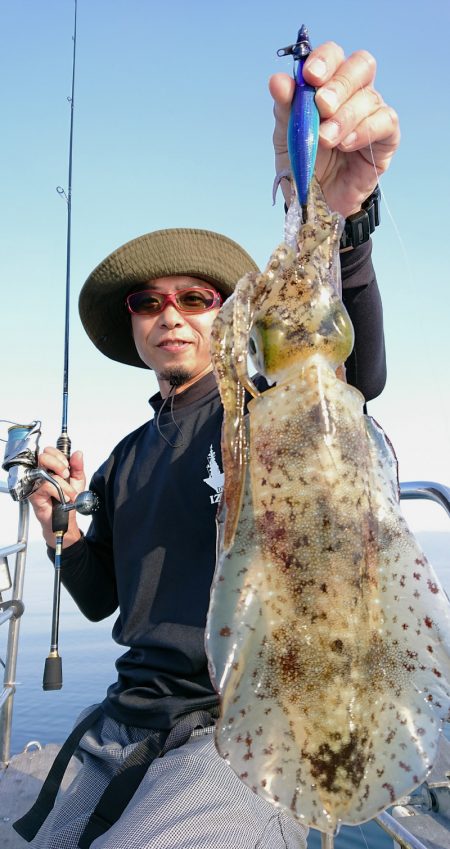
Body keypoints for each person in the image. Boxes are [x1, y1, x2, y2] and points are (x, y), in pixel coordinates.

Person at [23, 41, 399, 849]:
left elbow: (351, 373)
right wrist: (63, 525)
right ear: (131, 324)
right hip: (126, 719)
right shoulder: (125, 455)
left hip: (238, 726)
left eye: (198, 297)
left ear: (232, 316)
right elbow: (100, 598)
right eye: (149, 300)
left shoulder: (261, 407)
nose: (172, 313)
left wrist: (343, 220)